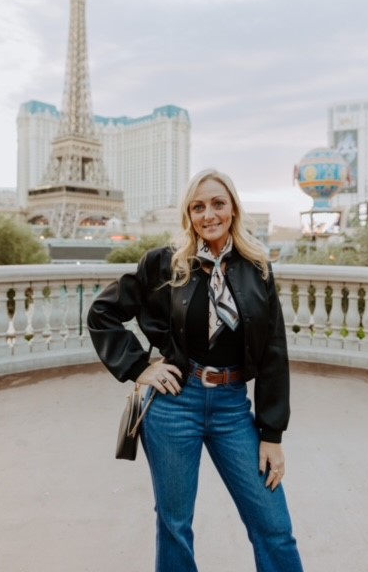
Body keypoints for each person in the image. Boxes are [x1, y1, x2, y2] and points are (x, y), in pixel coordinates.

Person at [87, 169, 304, 572]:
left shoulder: (258, 270)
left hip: (233, 409)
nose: (209, 214)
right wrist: (140, 367)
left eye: (218, 204)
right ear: (189, 214)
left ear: (233, 209)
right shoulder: (165, 264)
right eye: (198, 206)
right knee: (175, 525)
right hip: (173, 406)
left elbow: (274, 351)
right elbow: (103, 312)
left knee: (273, 523)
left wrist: (272, 434)